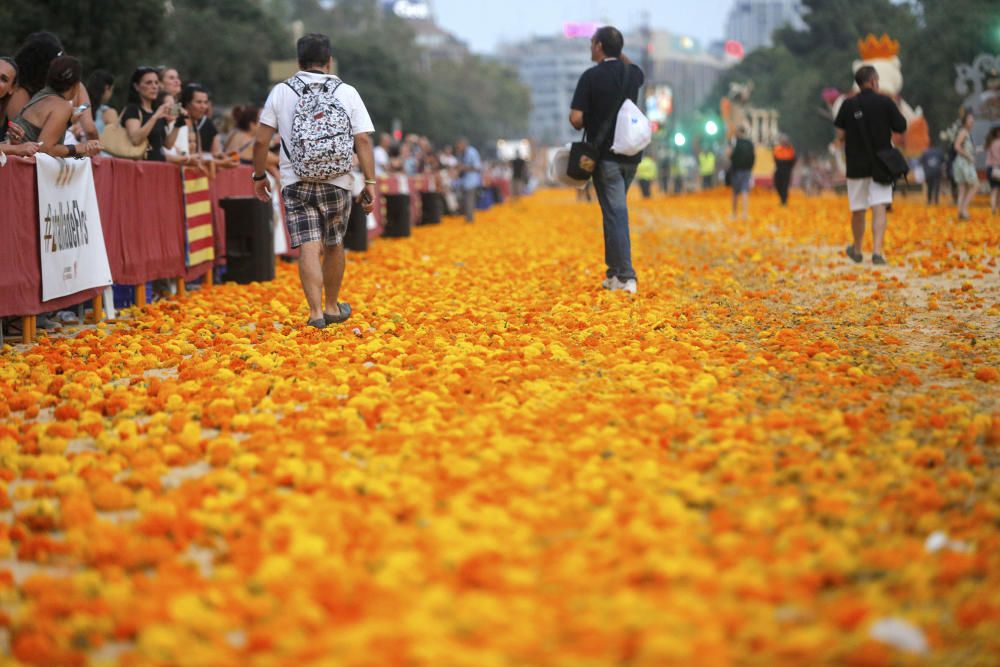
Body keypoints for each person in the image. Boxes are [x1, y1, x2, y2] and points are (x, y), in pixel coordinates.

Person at [253, 33, 376, 329]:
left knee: (308, 246)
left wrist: (258, 175)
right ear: (329, 61)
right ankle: (333, 306)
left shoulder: (281, 92)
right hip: (338, 180)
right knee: (334, 244)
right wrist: (369, 182)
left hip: (296, 181)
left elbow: (260, 142)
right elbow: (362, 139)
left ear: (299, 62)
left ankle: (315, 313)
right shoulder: (347, 92)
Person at [569, 26, 644, 294]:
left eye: (592, 43)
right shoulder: (632, 74)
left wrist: (590, 117)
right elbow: (632, 66)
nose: (590, 48)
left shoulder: (590, 77)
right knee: (612, 212)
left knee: (616, 213)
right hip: (632, 156)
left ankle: (626, 276)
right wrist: (618, 52)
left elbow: (576, 118)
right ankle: (613, 273)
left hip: (606, 156)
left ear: (599, 46)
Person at [834, 65, 907, 265]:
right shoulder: (885, 102)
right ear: (874, 81)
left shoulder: (848, 105)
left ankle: (857, 249)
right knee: (879, 206)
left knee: (858, 209)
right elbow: (901, 126)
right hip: (881, 165)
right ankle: (877, 252)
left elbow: (840, 135)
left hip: (856, 165)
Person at [11, 56, 101, 158]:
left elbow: (39, 131)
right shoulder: (62, 106)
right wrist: (79, 148)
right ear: (76, 85)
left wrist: (69, 121)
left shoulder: (42, 95)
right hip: (17, 166)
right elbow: (45, 149)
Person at [121, 66, 181, 161]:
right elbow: (136, 140)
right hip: (139, 168)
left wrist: (180, 122)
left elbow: (167, 145)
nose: (154, 86)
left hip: (157, 169)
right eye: (149, 83)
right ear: (136, 86)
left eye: (156, 83)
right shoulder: (133, 109)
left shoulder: (157, 110)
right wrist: (155, 116)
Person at [951, 109, 979, 221]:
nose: (972, 120)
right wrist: (969, 156)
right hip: (964, 163)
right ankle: (964, 209)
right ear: (965, 121)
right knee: (975, 185)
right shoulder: (963, 132)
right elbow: (957, 146)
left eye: (973, 118)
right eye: (969, 118)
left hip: (962, 163)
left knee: (962, 189)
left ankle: (960, 213)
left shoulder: (966, 132)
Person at [182, 83, 222, 160]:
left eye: (205, 102)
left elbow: (198, 155)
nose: (203, 106)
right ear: (187, 103)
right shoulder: (179, 123)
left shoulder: (195, 124)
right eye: (199, 102)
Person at [727, 126, 755, 220]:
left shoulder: (735, 142)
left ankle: (734, 213)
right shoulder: (750, 143)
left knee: (735, 193)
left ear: (738, 133)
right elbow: (753, 157)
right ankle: (744, 213)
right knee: (745, 191)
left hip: (736, 170)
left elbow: (729, 154)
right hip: (747, 170)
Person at [454, 137, 481, 223]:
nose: (458, 148)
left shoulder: (472, 153)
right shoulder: (460, 154)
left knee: (469, 200)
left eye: (459, 146)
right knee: (465, 200)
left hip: (471, 181)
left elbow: (477, 167)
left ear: (464, 145)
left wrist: (464, 168)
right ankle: (467, 217)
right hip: (463, 181)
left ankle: (470, 218)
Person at [84, 69, 117, 135]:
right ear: (107, 88)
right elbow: (115, 137)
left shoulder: (82, 107)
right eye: (111, 90)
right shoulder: (107, 112)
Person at [773, 134, 796, 205]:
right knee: (777, 184)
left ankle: (784, 200)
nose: (783, 142)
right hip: (779, 169)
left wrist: (790, 168)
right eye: (782, 140)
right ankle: (782, 198)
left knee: (785, 186)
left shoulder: (790, 149)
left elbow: (793, 160)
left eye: (785, 140)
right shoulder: (777, 149)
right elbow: (775, 158)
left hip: (787, 170)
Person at [986, 125, 1000, 215]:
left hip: (990, 168)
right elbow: (997, 157)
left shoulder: (990, 143)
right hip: (997, 168)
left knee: (994, 190)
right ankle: (996, 209)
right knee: (997, 190)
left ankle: (994, 209)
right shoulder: (998, 142)